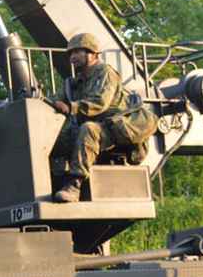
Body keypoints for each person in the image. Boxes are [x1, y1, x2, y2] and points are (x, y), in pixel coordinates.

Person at [49, 33, 157, 203]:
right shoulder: (75, 82)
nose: (73, 57)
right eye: (71, 53)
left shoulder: (105, 72)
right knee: (56, 137)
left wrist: (72, 107)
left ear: (92, 54)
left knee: (89, 130)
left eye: (78, 52)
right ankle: (54, 180)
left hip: (113, 128)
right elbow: (56, 99)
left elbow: (100, 102)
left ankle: (74, 184)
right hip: (96, 125)